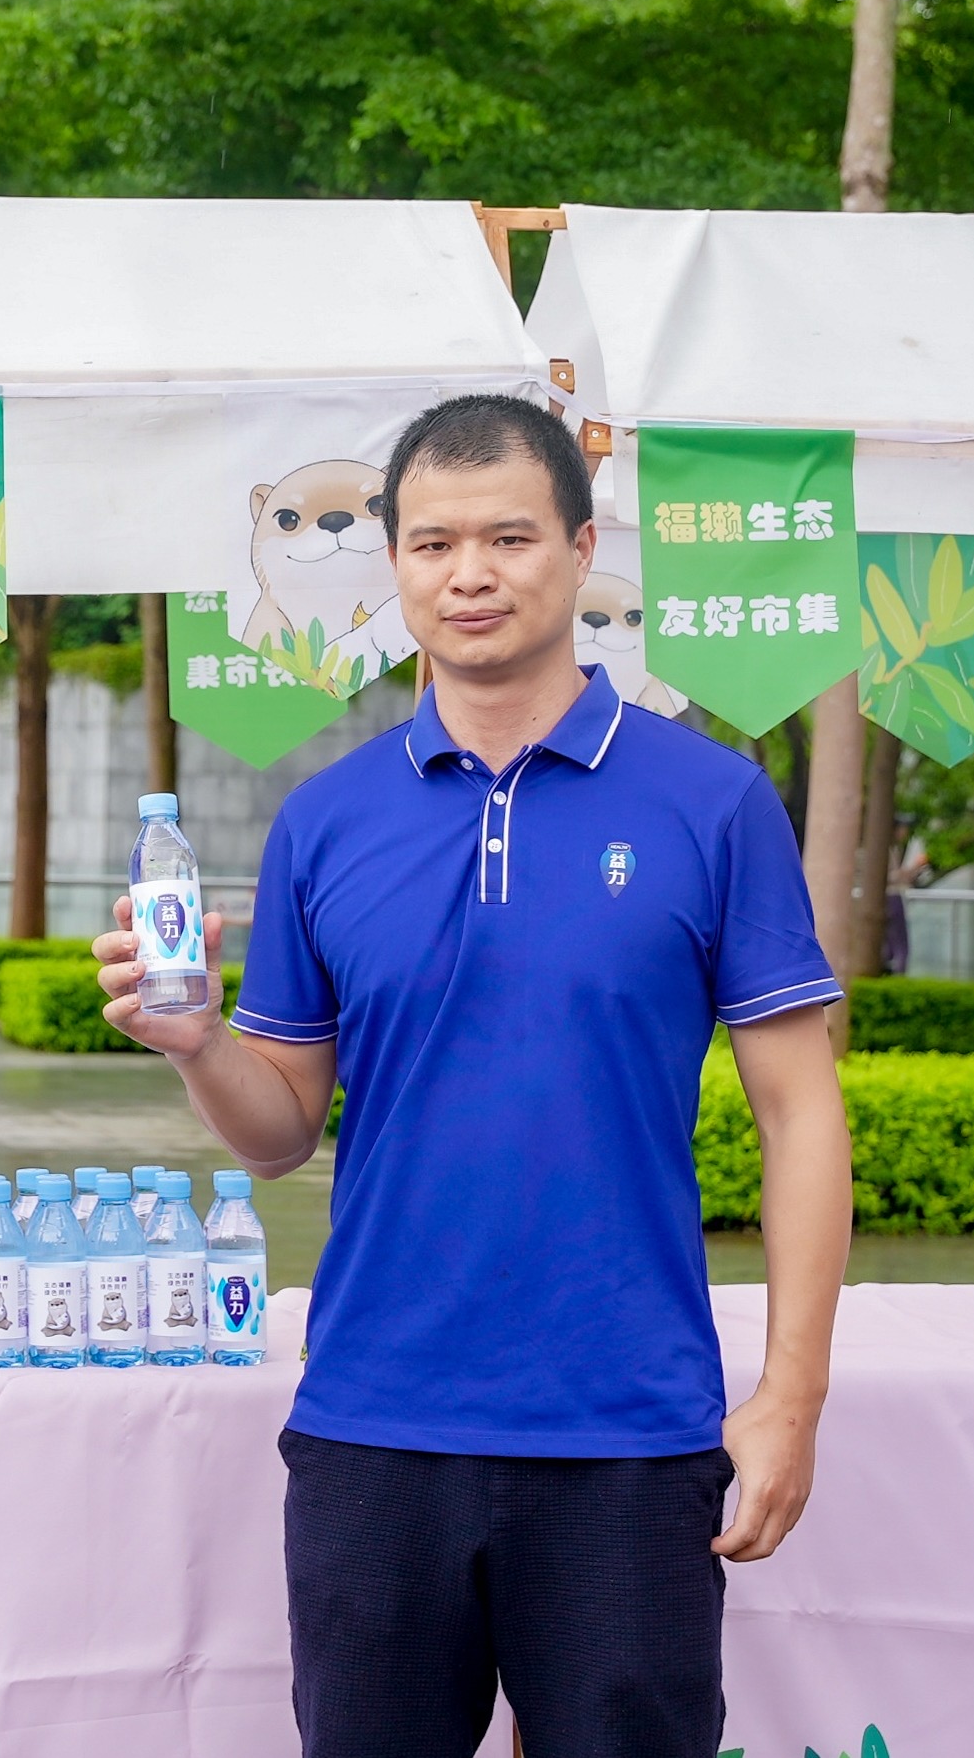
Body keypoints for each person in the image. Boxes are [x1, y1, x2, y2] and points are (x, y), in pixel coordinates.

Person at [98, 393, 854, 1758]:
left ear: (577, 546)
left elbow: (800, 1110)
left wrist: (787, 1395)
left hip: (627, 1433)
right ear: (390, 562)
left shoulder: (709, 801)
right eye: (432, 541)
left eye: (507, 536)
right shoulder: (325, 819)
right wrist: (198, 1040)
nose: (470, 573)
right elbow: (278, 1136)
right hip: (372, 1427)